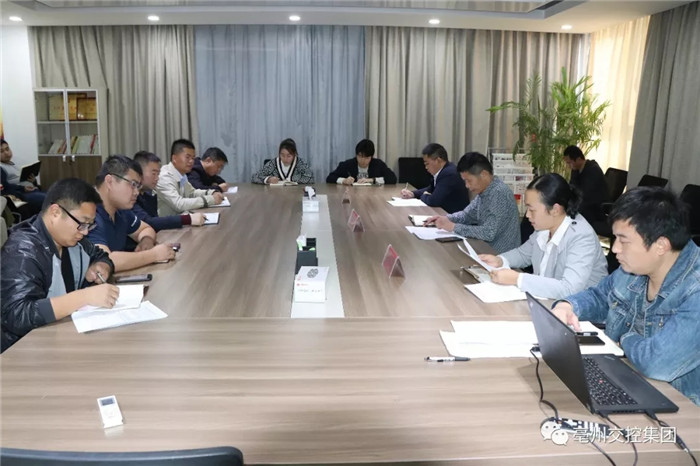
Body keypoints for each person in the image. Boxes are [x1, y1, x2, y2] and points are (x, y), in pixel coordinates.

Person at [552, 187, 700, 406]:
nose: (614, 249)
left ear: (661, 245)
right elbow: (600, 296)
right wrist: (567, 306)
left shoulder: (695, 290)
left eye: (623, 240)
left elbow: (657, 362)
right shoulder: (634, 269)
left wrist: (624, 338)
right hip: (632, 381)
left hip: (683, 408)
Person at [1, 178, 119, 352]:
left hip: (61, 340)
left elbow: (100, 256)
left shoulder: (74, 240)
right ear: (55, 212)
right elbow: (17, 315)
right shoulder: (23, 250)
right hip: (23, 353)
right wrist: (84, 297)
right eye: (82, 223)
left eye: (89, 225)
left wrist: (101, 266)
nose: (85, 231)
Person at [478, 174, 608, 299]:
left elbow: (569, 289)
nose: (527, 215)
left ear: (555, 210)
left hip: (579, 310)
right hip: (547, 301)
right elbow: (524, 254)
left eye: (532, 210)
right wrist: (500, 260)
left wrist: (518, 279)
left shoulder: (581, 237)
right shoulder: (546, 226)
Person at [88, 155, 176, 272]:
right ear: (109, 182)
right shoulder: (89, 213)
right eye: (133, 185)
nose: (136, 192)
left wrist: (146, 240)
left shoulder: (120, 210)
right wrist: (153, 255)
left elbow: (146, 229)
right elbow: (105, 261)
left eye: (138, 186)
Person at [426, 152, 520, 254]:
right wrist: (447, 218)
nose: (467, 186)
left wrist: (454, 227)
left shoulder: (499, 193)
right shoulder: (485, 191)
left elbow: (488, 232)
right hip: (484, 250)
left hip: (500, 256)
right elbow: (467, 215)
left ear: (484, 174)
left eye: (469, 181)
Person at [132, 151, 205, 232]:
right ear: (139, 173)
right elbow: (148, 222)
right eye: (154, 173)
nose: (157, 178)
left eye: (158, 174)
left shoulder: (149, 195)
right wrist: (187, 219)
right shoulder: (131, 198)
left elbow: (156, 220)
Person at [156, 139, 224, 215]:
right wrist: (210, 199)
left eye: (193, 158)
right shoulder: (164, 177)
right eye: (187, 157)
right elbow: (179, 204)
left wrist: (212, 192)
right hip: (169, 221)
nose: (191, 161)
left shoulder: (182, 174)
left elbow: (192, 193)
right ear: (174, 158)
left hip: (182, 217)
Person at [399, 143, 469, 213]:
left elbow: (433, 201)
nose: (426, 167)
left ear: (438, 160)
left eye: (427, 164)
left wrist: (424, 195)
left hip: (453, 215)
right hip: (443, 212)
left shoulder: (449, 174)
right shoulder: (443, 171)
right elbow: (431, 189)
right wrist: (413, 193)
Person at [563, 145, 609, 227]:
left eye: (569, 163)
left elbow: (585, 194)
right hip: (584, 204)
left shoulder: (593, 170)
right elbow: (572, 187)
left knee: (571, 214)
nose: (568, 166)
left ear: (578, 159)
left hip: (594, 208)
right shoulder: (576, 169)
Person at [1, 138, 46, 216]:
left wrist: (33, 180)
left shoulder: (16, 161)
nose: (6, 153)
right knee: (48, 199)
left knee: (55, 194)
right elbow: (5, 187)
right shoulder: (1, 167)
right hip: (21, 195)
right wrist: (23, 188)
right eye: (1, 151)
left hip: (32, 190)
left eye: (7, 149)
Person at [326, 139, 397, 185]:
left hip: (372, 195)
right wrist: (344, 180)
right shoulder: (348, 164)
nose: (363, 160)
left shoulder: (378, 164)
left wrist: (372, 180)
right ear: (356, 154)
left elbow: (392, 178)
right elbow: (330, 178)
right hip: (353, 195)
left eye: (366, 158)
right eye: (360, 156)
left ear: (371, 157)